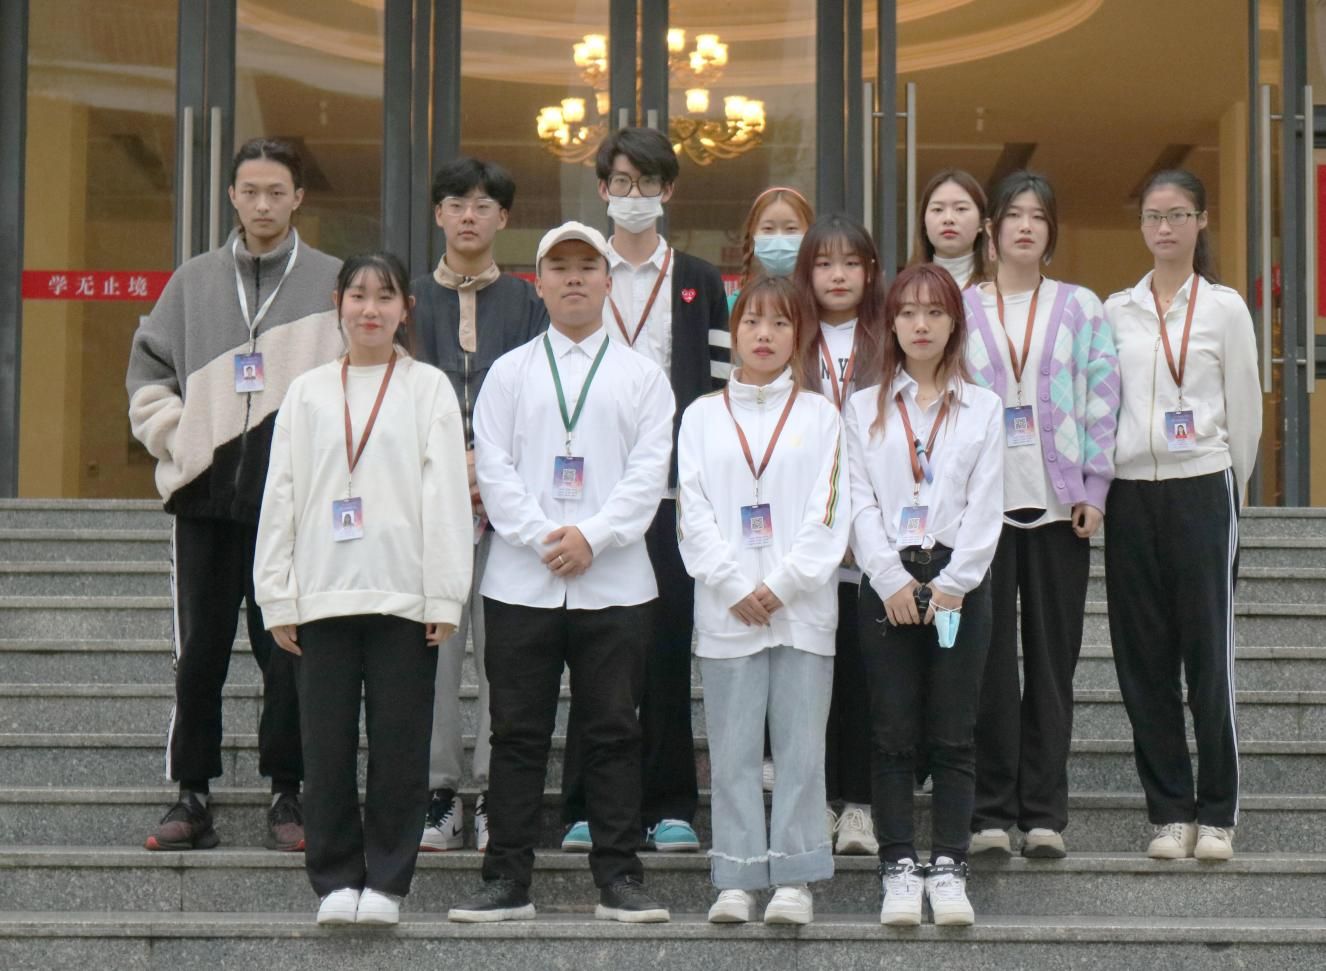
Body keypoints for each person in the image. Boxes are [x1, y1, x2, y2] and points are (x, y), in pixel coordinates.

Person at [448, 222, 674, 923]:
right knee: (516, 735)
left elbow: (648, 475)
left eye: (586, 266)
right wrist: (546, 537)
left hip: (617, 583)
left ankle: (619, 877)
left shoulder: (643, 376)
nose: (574, 278)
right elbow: (493, 468)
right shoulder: (509, 372)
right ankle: (506, 878)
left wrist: (592, 538)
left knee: (614, 732)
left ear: (608, 282)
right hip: (523, 580)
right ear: (538, 283)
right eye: (560, 267)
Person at [126, 137, 341, 852]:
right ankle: (191, 793)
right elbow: (147, 371)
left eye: (276, 192)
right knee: (200, 653)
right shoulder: (193, 281)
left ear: (298, 197)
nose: (262, 204)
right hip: (204, 499)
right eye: (250, 191)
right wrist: (182, 438)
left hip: (294, 502)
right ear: (231, 196)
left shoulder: (331, 281)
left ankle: (288, 791)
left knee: (289, 651)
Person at [253, 253, 471, 925]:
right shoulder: (307, 392)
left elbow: (446, 495)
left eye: (384, 296)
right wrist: (276, 594)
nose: (370, 309)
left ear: (407, 308)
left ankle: (387, 881)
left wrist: (445, 593)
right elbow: (281, 493)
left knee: (400, 746)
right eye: (357, 295)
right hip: (321, 595)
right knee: (326, 748)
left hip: (404, 596)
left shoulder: (428, 388)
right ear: (338, 304)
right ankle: (335, 880)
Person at [559, 127, 728, 856]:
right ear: (602, 190)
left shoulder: (699, 279)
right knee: (594, 652)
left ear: (668, 190)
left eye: (648, 182)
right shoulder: (579, 272)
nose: (634, 195)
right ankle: (586, 805)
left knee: (665, 649)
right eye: (622, 182)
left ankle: (669, 803)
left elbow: (720, 391)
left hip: (672, 498)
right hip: (590, 501)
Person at [678, 276, 847, 925]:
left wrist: (782, 585)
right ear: (735, 332)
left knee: (801, 753)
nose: (765, 335)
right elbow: (692, 512)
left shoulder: (820, 416)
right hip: (728, 613)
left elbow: (829, 511)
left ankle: (796, 877)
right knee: (733, 754)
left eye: (780, 323)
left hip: (801, 611)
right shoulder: (701, 416)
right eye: (752, 322)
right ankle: (738, 876)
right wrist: (732, 585)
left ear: (798, 334)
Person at [1104, 169, 1261, 862]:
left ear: (1200, 222)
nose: (1164, 227)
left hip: (1202, 485)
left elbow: (1245, 408)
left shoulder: (1225, 308)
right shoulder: (1116, 310)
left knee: (1207, 654)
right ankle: (1169, 812)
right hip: (1130, 491)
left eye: (1177, 214)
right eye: (1152, 216)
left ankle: (1217, 813)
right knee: (1143, 658)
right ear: (1140, 226)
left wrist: (1229, 485)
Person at [964, 171, 1120, 859]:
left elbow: (1102, 398)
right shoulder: (961, 306)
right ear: (992, 230)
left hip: (1061, 509)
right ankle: (991, 811)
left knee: (1054, 663)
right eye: (1014, 214)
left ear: (1051, 231)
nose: (1025, 226)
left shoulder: (1081, 306)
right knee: (989, 662)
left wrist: (1094, 487)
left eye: (1038, 215)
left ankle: (1045, 814)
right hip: (983, 513)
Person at [845, 263, 1002, 926]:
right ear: (890, 324)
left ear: (954, 324)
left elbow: (986, 505)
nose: (920, 324)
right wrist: (889, 579)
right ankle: (899, 868)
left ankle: (949, 866)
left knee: (954, 733)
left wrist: (953, 585)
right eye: (907, 312)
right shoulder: (864, 406)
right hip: (888, 582)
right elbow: (858, 501)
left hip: (958, 583)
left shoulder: (983, 407)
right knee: (891, 732)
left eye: (934, 312)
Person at [411, 156, 549, 854]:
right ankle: (436, 792)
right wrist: (450, 467)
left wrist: (488, 471)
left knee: (507, 655)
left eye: (484, 204)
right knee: (432, 651)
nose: (469, 215)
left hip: (509, 507)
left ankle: (499, 791)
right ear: (438, 214)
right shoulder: (408, 299)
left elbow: (540, 403)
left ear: (504, 218)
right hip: (424, 504)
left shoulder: (528, 305)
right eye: (456, 203)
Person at [790, 214, 884, 855]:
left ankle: (861, 806)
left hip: (876, 532)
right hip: (805, 532)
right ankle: (817, 799)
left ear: (870, 272)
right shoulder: (790, 336)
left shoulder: (890, 336)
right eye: (824, 264)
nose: (838, 275)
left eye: (851, 263)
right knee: (811, 676)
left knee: (866, 675)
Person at [910, 169, 989, 290]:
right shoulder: (907, 289)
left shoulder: (999, 288)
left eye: (961, 209)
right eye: (938, 209)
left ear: (981, 222)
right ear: (923, 223)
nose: (948, 219)